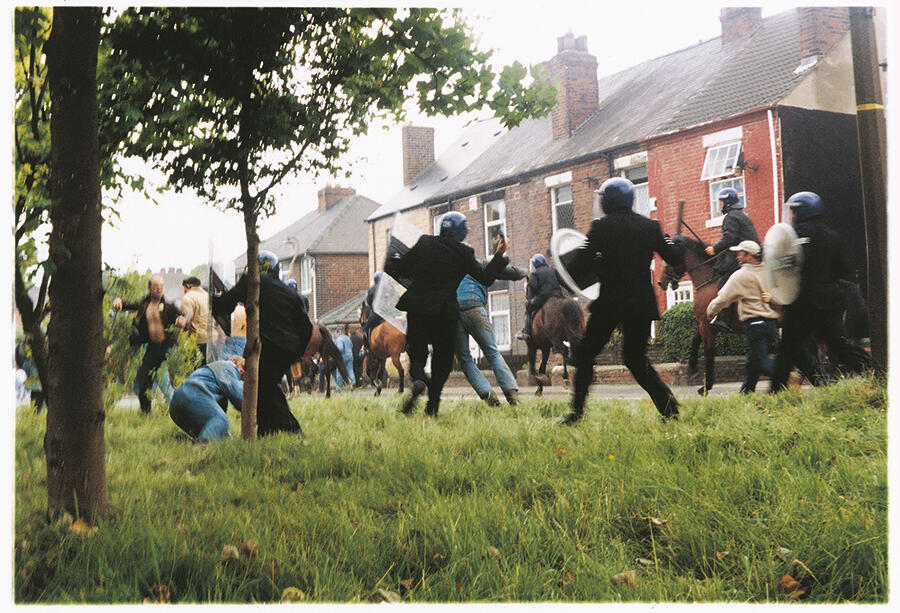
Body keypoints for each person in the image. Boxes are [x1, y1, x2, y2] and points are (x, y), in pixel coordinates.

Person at [560, 177, 683, 425]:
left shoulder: (600, 228)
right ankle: (669, 407)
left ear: (608, 201)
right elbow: (674, 257)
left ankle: (576, 414)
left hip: (610, 303)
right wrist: (670, 240)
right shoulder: (650, 226)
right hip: (640, 303)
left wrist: (591, 260)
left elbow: (577, 267)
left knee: (586, 356)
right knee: (635, 359)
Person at [385, 211, 509, 417]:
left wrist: (396, 257)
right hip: (444, 313)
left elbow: (399, 268)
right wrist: (499, 255)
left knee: (417, 355)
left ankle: (418, 380)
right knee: (442, 362)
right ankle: (432, 407)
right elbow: (486, 278)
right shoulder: (464, 252)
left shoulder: (424, 242)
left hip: (418, 308)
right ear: (462, 232)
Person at [769, 192, 871, 392]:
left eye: (794, 211)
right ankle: (877, 373)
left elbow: (784, 268)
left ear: (800, 211)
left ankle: (775, 393)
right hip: (828, 303)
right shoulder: (832, 236)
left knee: (787, 352)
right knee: (840, 347)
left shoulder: (792, 236)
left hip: (801, 305)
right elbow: (842, 269)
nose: (791, 215)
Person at [212, 251, 311, 436]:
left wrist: (213, 300)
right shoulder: (288, 292)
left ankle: (293, 429)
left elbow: (226, 304)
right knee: (263, 388)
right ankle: (267, 432)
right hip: (290, 348)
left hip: (271, 345)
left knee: (264, 386)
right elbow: (306, 326)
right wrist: (298, 350)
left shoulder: (252, 283)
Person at [706, 240, 779, 394]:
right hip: (771, 324)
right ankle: (746, 393)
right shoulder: (768, 271)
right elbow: (779, 293)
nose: (737, 257)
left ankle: (785, 376)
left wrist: (711, 311)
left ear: (749, 255)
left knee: (762, 363)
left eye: (740, 253)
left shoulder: (740, 276)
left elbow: (723, 298)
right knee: (752, 362)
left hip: (755, 324)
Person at [456, 260, 527, 405]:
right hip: (475, 307)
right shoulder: (476, 264)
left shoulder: (447, 267)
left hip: (454, 313)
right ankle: (512, 395)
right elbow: (506, 271)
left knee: (464, 359)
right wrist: (525, 271)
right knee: (492, 352)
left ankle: (489, 398)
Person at [113, 275, 186, 414]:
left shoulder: (169, 306)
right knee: (142, 383)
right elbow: (127, 304)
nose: (158, 290)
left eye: (161, 287)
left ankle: (178, 410)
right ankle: (146, 413)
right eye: (155, 287)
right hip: (152, 348)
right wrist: (118, 301)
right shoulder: (143, 305)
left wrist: (182, 321)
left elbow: (183, 316)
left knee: (165, 383)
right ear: (149, 288)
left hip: (166, 347)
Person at [704, 187, 760, 331]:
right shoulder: (741, 214)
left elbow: (730, 238)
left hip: (743, 256)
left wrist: (714, 248)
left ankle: (724, 320)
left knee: (725, 285)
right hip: (751, 254)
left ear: (727, 202)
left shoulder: (731, 216)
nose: (720, 205)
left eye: (721, 201)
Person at [169, 356, 244, 443]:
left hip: (176, 404)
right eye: (242, 366)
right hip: (192, 393)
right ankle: (202, 447)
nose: (242, 372)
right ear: (232, 361)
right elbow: (240, 398)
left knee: (221, 436)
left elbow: (219, 409)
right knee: (221, 420)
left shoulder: (213, 374)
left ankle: (192, 441)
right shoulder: (227, 366)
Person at [516, 254, 567, 342]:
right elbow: (562, 282)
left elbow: (534, 287)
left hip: (543, 297)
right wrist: (571, 290)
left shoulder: (534, 274)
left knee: (527, 305)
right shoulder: (553, 270)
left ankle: (527, 332)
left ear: (535, 264)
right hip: (558, 296)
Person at [180, 276, 210, 362]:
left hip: (196, 342)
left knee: (194, 372)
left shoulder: (188, 298)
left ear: (188, 286)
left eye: (184, 288)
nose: (184, 291)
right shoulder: (207, 296)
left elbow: (186, 321)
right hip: (210, 341)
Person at [360, 271, 385, 351]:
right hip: (387, 314)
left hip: (376, 314)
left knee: (366, 327)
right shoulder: (387, 289)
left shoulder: (372, 290)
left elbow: (369, 301)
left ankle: (366, 347)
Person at [333, 325, 356, 390]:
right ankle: (353, 382)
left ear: (338, 332)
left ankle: (339, 387)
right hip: (350, 356)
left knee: (339, 371)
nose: (335, 335)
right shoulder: (347, 337)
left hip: (342, 357)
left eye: (336, 333)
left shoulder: (339, 339)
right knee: (350, 370)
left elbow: (340, 348)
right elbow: (351, 346)